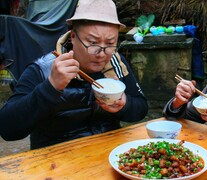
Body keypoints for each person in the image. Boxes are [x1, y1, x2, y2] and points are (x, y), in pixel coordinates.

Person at [0, 0, 148, 149]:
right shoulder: (43, 69)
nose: (101, 54)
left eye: (110, 44)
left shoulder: (115, 63)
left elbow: (141, 108)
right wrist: (50, 87)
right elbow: (8, 129)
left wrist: (124, 105)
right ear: (72, 36)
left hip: (108, 154)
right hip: (54, 161)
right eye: (93, 42)